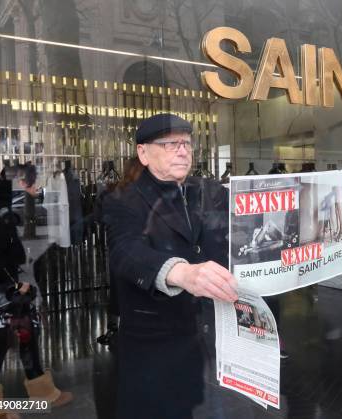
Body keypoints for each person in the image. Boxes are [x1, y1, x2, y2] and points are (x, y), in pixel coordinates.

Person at [103, 114, 239, 419]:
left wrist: (322, 196)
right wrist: (181, 272)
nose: (182, 150)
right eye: (169, 144)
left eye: (187, 143)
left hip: (207, 339)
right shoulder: (122, 198)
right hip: (154, 346)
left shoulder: (209, 190)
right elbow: (125, 250)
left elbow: (254, 214)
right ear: (143, 153)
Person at [0, 165, 72, 419]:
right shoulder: (5, 214)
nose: (36, 188)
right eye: (31, 184)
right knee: (0, 345)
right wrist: (15, 284)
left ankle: (42, 393)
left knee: (27, 339)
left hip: (20, 290)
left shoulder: (13, 209)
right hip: (8, 292)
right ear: (20, 184)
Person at [96, 157, 145, 346]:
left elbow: (101, 218)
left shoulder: (114, 193)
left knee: (118, 292)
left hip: (119, 253)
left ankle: (115, 329)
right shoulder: (141, 195)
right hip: (137, 253)